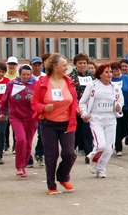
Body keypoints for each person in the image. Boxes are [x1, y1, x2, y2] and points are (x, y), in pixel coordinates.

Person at [32, 53, 80, 195]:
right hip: (49, 124)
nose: (67, 68)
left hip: (67, 123)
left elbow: (73, 98)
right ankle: (51, 185)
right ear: (54, 67)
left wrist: (76, 107)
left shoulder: (69, 81)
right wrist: (43, 108)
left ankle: (63, 177)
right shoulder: (42, 83)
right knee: (51, 155)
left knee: (69, 153)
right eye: (64, 65)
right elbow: (34, 103)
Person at [80, 64, 124, 177]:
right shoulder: (93, 85)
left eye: (110, 72)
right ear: (100, 74)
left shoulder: (115, 87)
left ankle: (101, 168)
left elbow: (120, 101)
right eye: (107, 72)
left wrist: (118, 106)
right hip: (96, 118)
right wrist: (84, 114)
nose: (110, 74)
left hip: (110, 118)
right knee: (101, 145)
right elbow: (82, 102)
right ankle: (93, 157)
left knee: (110, 147)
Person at [0, 64, 37, 177]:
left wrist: (34, 99)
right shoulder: (12, 84)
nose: (25, 77)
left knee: (28, 142)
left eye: (28, 75)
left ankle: (24, 166)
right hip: (16, 116)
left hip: (31, 117)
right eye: (23, 74)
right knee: (21, 140)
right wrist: (1, 112)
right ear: (19, 74)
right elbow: (4, 99)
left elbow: (41, 100)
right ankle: (19, 166)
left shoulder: (36, 84)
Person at [69, 53, 94, 162]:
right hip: (75, 107)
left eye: (84, 63)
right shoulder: (71, 77)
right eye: (80, 63)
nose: (82, 65)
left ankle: (89, 153)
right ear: (75, 64)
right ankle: (71, 150)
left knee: (87, 130)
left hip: (89, 107)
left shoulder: (92, 76)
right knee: (76, 131)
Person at [110, 61, 128, 156]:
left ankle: (123, 137)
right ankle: (118, 147)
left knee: (127, 127)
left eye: (117, 71)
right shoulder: (109, 80)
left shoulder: (126, 79)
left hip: (126, 107)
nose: (116, 73)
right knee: (117, 128)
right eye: (113, 71)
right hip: (113, 109)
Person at [30, 56, 46, 166]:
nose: (37, 67)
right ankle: (26, 156)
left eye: (39, 65)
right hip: (28, 110)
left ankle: (39, 153)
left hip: (41, 109)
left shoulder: (45, 77)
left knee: (42, 133)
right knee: (28, 135)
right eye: (34, 65)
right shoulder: (27, 76)